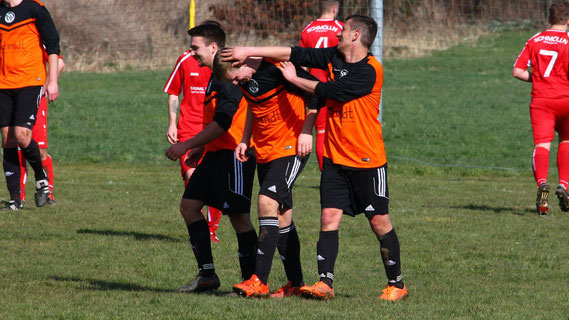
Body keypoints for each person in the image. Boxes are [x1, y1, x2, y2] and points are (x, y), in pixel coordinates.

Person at [220, 14, 409, 301]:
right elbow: (293, 52)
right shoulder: (334, 57)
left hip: (367, 159)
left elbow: (331, 91)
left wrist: (295, 79)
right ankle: (325, 283)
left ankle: (397, 284)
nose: (337, 34)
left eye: (343, 30)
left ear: (356, 35)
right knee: (328, 218)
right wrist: (250, 51)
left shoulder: (371, 70)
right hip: (334, 157)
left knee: (379, 221)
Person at [213, 53, 319, 298]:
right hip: (264, 151)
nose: (237, 84)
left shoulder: (276, 69)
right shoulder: (245, 80)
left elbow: (317, 93)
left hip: (292, 148)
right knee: (282, 217)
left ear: (240, 63)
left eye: (236, 78)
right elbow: (252, 105)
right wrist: (244, 139)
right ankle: (295, 283)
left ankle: (258, 281)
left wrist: (306, 131)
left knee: (266, 202)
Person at [164, 22, 257, 293]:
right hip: (214, 155)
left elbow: (225, 122)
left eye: (196, 48)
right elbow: (214, 121)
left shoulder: (227, 76)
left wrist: (186, 144)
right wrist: (201, 148)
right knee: (189, 206)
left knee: (239, 218)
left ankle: (252, 282)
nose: (192, 54)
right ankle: (207, 276)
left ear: (214, 47)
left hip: (235, 156)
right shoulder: (212, 75)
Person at [0, 0, 60, 210]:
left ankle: (41, 177)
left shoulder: (35, 9)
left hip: (29, 82)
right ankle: (15, 200)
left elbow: (53, 47)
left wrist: (52, 81)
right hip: (3, 84)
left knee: (22, 135)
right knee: (7, 139)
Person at [513, 1, 569, 215]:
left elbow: (517, 71)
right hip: (566, 99)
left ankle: (542, 185)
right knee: (566, 140)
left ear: (549, 18)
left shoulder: (535, 40)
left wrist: (538, 80)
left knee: (542, 145)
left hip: (542, 101)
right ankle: (563, 185)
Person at [163, 48, 223, 242]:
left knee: (214, 180)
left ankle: (211, 230)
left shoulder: (223, 62)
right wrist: (172, 123)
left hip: (213, 128)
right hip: (188, 129)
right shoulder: (185, 59)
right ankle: (199, 228)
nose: (194, 49)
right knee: (191, 175)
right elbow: (173, 92)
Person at [299, 0, 343, 171]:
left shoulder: (307, 29)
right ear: (335, 8)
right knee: (335, 131)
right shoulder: (341, 28)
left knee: (321, 131)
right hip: (334, 84)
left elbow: (301, 60)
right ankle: (333, 175)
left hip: (313, 85)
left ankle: (326, 174)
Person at [19, 52, 64, 206]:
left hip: (35, 99)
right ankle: (18, 196)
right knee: (16, 145)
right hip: (12, 96)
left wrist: (45, 87)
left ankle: (47, 193)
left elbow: (59, 63)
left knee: (40, 150)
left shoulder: (38, 34)